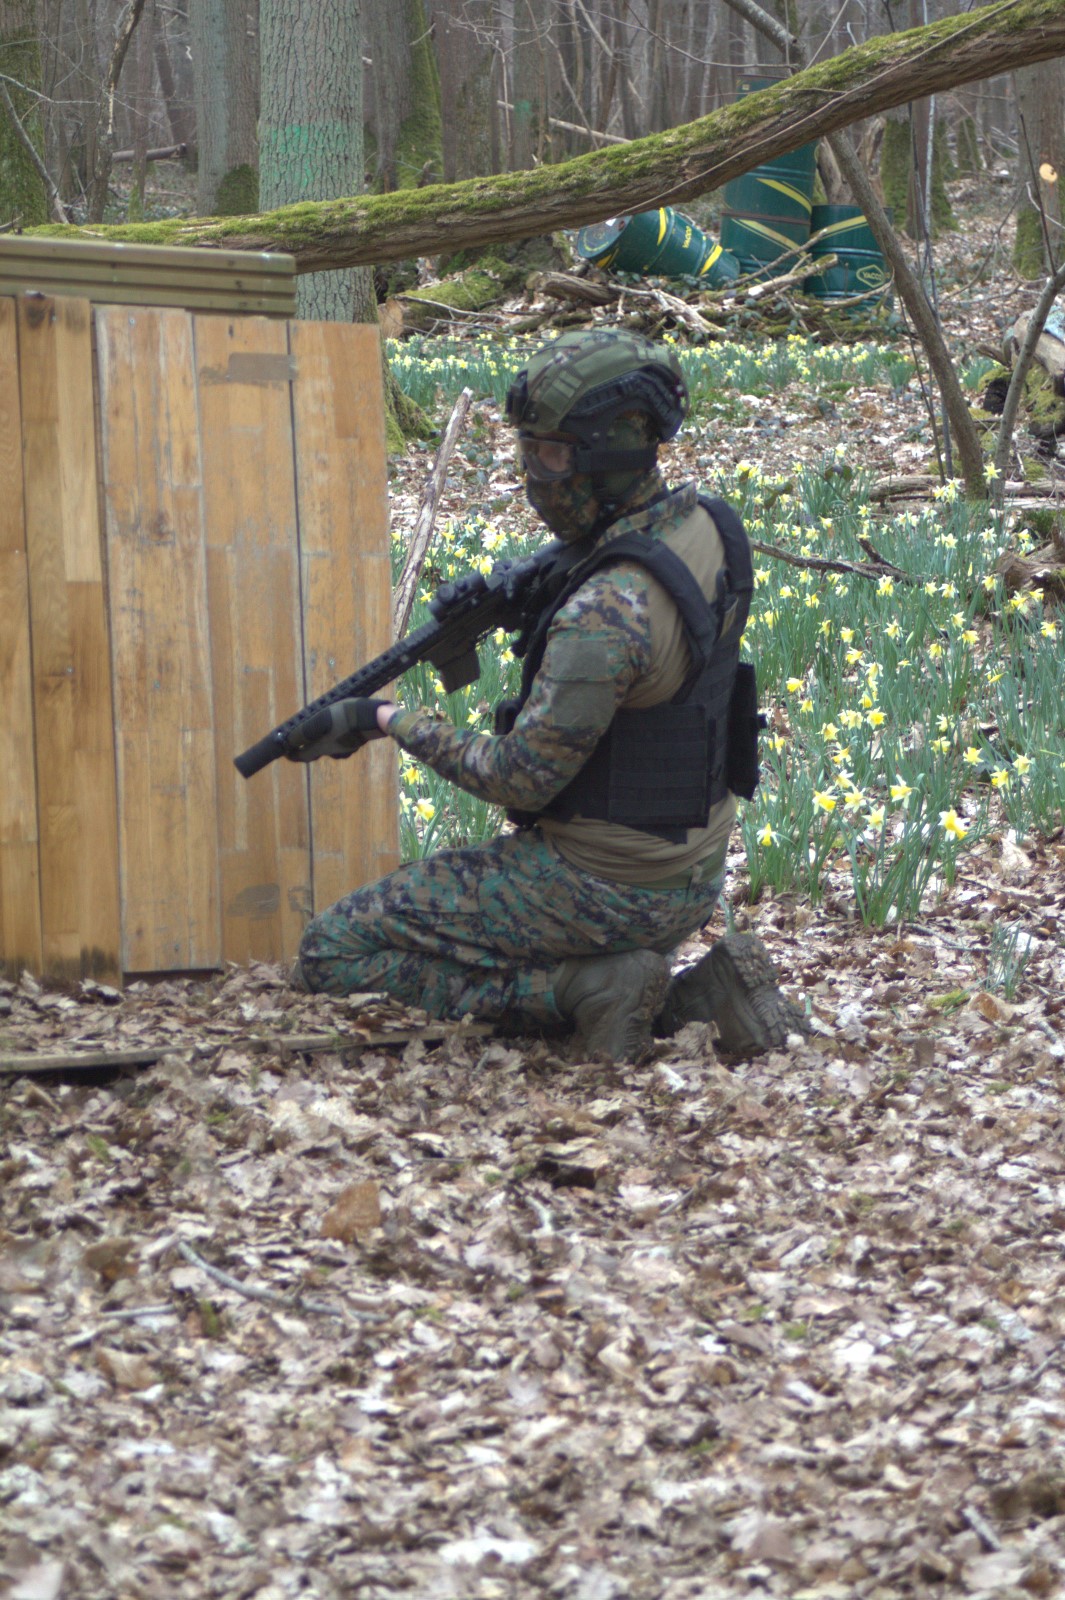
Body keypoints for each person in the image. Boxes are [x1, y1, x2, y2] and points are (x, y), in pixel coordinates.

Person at [292, 329, 805, 1062]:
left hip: (599, 889)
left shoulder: (601, 615)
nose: (533, 474)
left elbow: (517, 777)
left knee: (332, 949)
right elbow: (638, 617)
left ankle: (585, 989)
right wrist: (532, 591)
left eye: (552, 455)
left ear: (608, 455)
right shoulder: (708, 525)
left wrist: (385, 719)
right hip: (690, 872)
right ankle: (692, 995)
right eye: (528, 450)